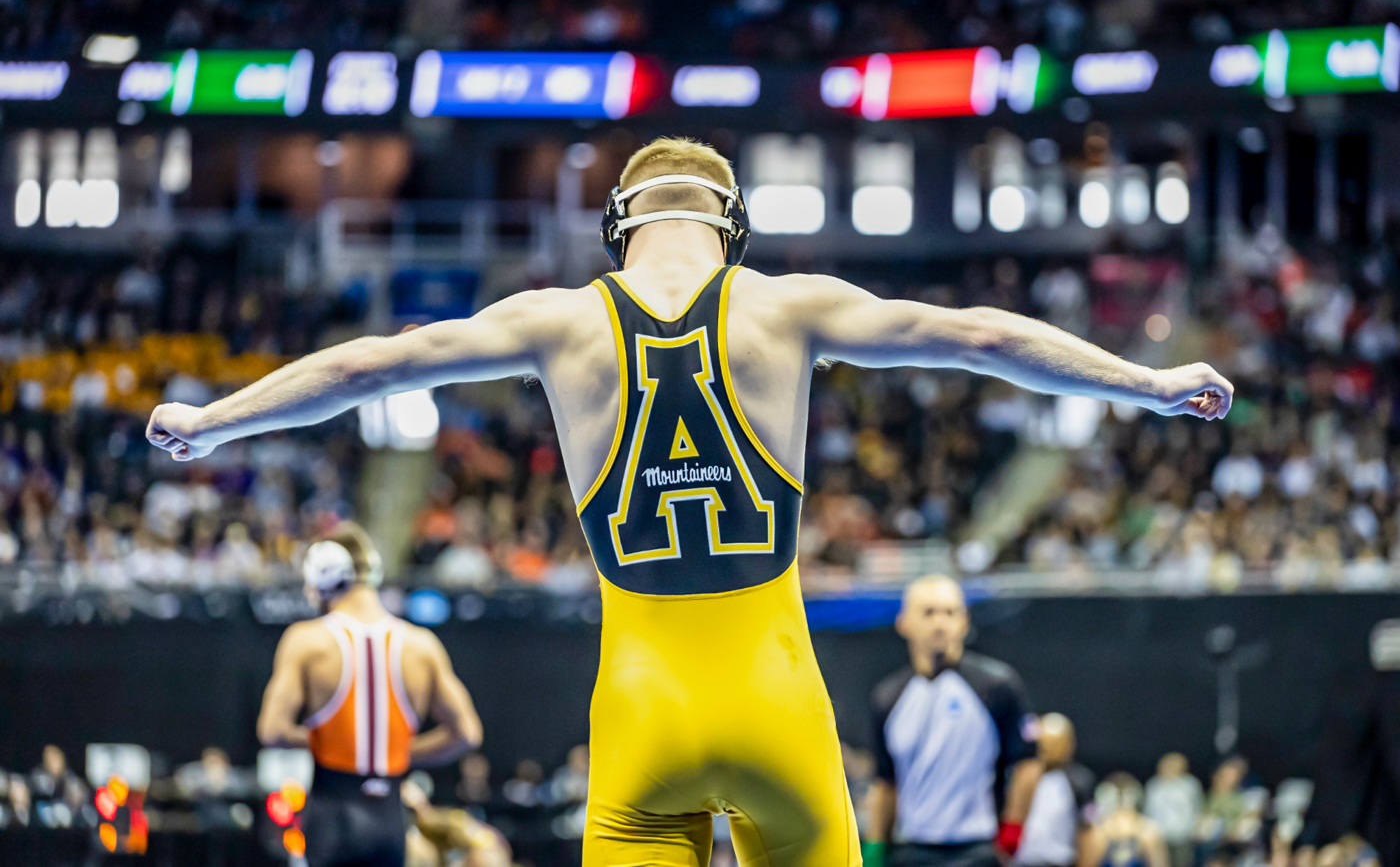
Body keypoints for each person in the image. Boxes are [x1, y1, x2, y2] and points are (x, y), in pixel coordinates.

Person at [148, 136, 1233, 867]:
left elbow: (368, 365)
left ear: (618, 223)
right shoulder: (787, 307)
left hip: (641, 711)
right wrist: (1146, 383)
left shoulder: (556, 321)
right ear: (732, 222)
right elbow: (982, 338)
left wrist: (212, 421)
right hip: (777, 704)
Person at [255, 521, 483, 867]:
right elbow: (467, 734)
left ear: (323, 573)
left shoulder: (307, 641)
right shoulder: (422, 646)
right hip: (390, 822)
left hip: (333, 819)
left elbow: (272, 731)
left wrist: (330, 741)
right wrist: (395, 751)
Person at [865, 575, 1041, 867]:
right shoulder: (887, 697)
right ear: (903, 622)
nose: (940, 623)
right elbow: (885, 781)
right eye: (929, 612)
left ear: (965, 622)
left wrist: (1012, 831)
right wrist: (876, 845)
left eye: (950, 612)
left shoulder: (996, 686)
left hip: (976, 850)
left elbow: (1028, 763)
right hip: (911, 851)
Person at [1015, 714, 1096, 867]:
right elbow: (1014, 817)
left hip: (1060, 860)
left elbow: (1087, 830)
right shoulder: (1026, 775)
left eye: (1056, 743)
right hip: (1025, 860)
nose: (1049, 749)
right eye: (1045, 743)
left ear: (1069, 745)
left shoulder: (1079, 781)